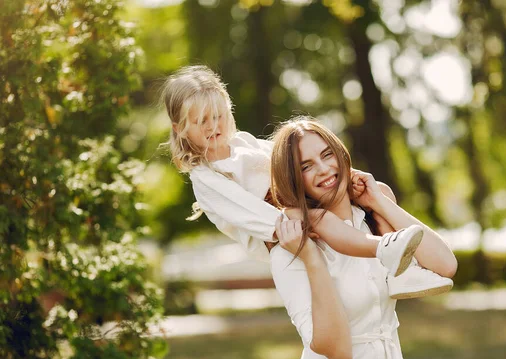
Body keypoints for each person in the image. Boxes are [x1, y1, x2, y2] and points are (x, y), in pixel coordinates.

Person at [159, 64, 453, 298]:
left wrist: (344, 181)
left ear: (228, 110)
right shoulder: (206, 177)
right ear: (180, 128)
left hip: (290, 198)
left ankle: (400, 274)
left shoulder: (243, 144)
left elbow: (287, 163)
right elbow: (248, 211)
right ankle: (384, 248)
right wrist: (288, 218)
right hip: (273, 227)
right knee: (320, 219)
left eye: (218, 116)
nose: (214, 127)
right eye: (201, 122)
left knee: (380, 191)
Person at [269, 117, 458, 359]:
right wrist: (311, 257)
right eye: (306, 167)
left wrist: (378, 201)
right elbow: (339, 350)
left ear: (341, 153)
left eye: (327, 154)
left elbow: (446, 266)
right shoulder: (290, 250)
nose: (323, 169)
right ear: (294, 180)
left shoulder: (373, 221)